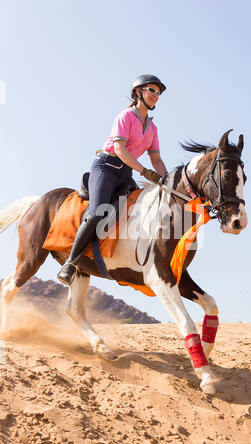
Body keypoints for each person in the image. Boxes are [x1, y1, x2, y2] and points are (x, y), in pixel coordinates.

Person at [57, 74, 168, 286]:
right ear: (138, 93)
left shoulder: (153, 129)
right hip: (107, 167)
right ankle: (70, 262)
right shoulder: (125, 116)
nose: (156, 95)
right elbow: (119, 149)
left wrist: (165, 178)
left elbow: (156, 158)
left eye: (158, 92)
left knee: (139, 209)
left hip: (126, 173)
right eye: (151, 90)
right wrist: (145, 172)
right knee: (97, 212)